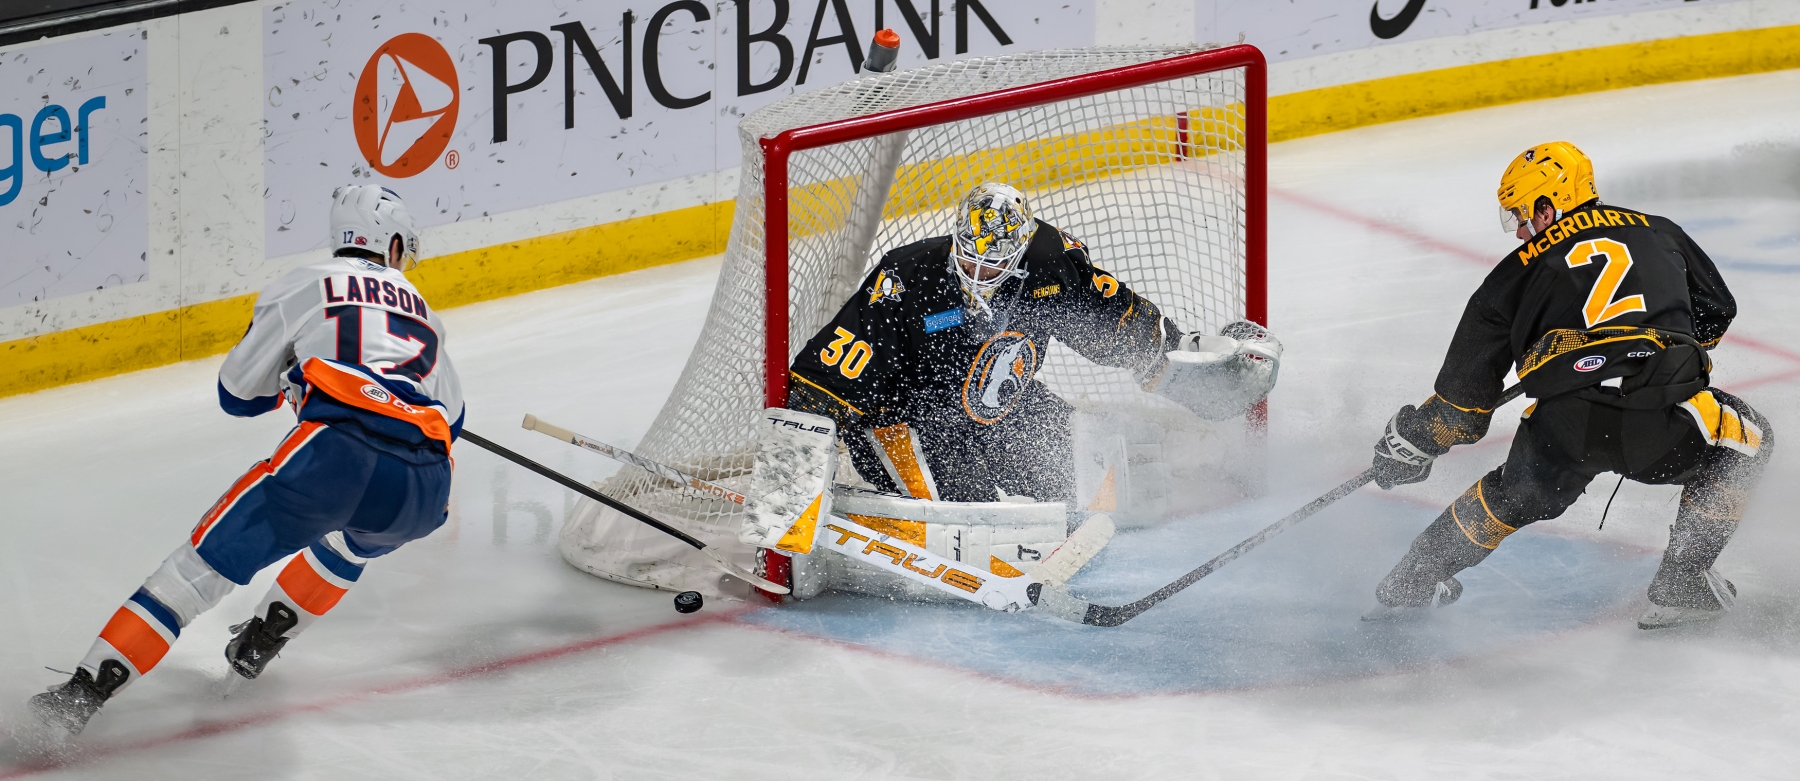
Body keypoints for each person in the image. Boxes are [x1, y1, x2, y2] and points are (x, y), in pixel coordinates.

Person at [30, 185, 464, 735]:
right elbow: (453, 423)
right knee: (354, 539)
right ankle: (263, 638)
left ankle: (80, 697)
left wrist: (292, 380)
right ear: (393, 245)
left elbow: (237, 395)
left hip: (334, 454)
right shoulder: (426, 312)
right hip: (426, 485)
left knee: (197, 573)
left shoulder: (304, 284)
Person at [1365, 141, 1771, 629]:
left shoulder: (1512, 272)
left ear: (1547, 206)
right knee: (1751, 438)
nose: (1520, 230)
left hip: (1565, 424)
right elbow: (1716, 313)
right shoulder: (1660, 231)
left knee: (1511, 495)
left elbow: (1462, 410)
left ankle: (1412, 579)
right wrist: (1667, 338)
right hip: (1658, 419)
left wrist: (1413, 443)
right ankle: (1683, 583)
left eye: (1521, 215)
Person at [785, 182, 1281, 518]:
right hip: (907, 422)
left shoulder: (1050, 265)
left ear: (1019, 252)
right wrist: (797, 466)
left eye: (992, 265)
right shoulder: (907, 277)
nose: (978, 274)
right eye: (969, 260)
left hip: (1001, 409)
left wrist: (1177, 359)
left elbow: (1112, 322)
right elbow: (830, 372)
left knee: (1088, 484)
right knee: (970, 517)